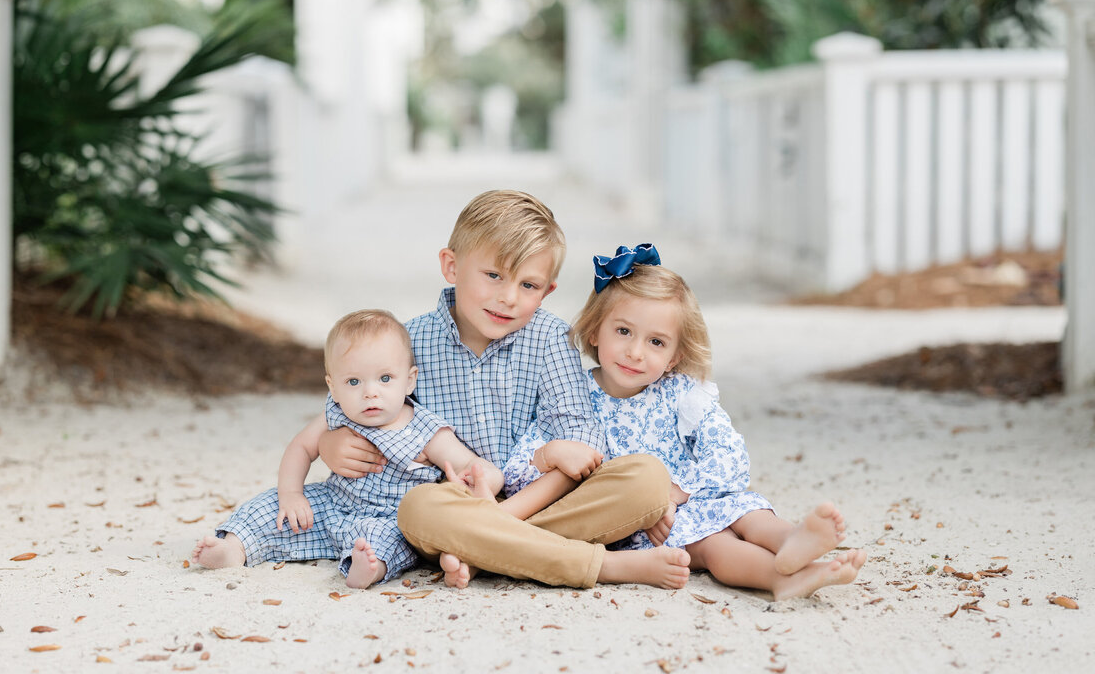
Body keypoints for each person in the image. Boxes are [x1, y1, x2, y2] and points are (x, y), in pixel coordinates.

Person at [325, 191, 690, 589]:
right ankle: (603, 566)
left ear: (547, 290)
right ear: (452, 266)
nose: (509, 297)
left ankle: (485, 553)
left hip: (538, 504)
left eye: (528, 284)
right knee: (417, 510)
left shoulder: (550, 338)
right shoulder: (410, 339)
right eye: (494, 275)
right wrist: (331, 441)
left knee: (648, 479)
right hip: (452, 506)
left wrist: (501, 518)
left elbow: (579, 449)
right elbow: (351, 398)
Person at [488, 244, 867, 600]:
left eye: (656, 342)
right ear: (594, 331)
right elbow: (518, 473)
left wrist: (676, 493)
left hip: (691, 496)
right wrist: (550, 453)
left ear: (673, 356)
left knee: (750, 513)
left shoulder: (683, 394)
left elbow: (729, 454)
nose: (635, 352)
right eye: (623, 332)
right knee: (715, 546)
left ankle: (792, 541)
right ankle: (782, 579)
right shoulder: (570, 397)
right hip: (642, 526)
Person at [191, 309, 503, 589]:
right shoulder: (335, 413)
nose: (370, 393)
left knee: (388, 542)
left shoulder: (426, 430)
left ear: (409, 382)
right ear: (333, 387)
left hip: (389, 516)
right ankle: (234, 547)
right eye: (353, 382)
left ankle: (367, 569)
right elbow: (301, 447)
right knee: (268, 508)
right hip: (330, 503)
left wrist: (474, 480)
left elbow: (478, 468)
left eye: (384, 378)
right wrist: (291, 495)